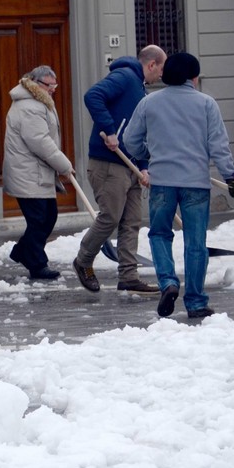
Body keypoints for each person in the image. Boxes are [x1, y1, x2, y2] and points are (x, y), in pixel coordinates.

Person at [122, 52, 234, 320]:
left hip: (162, 182)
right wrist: (232, 178)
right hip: (196, 184)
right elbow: (218, 147)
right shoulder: (206, 104)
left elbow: (130, 140)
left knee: (159, 234)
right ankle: (196, 302)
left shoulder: (149, 103)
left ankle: (167, 282)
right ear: (194, 77)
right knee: (195, 242)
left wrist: (148, 152)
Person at [73, 45, 166, 295]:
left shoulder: (141, 88)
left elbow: (141, 134)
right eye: (161, 69)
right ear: (151, 65)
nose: (161, 75)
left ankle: (128, 275)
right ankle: (83, 260)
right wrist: (109, 130)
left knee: (131, 222)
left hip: (131, 165)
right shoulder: (125, 77)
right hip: (109, 164)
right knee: (111, 218)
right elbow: (93, 95)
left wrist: (145, 167)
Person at [2, 65, 74, 280]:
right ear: (36, 83)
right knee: (40, 220)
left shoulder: (38, 102)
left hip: (36, 173)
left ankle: (23, 252)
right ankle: (37, 264)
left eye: (55, 85)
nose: (53, 89)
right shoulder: (29, 106)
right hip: (28, 173)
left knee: (47, 216)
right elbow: (40, 142)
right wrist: (63, 164)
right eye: (49, 85)